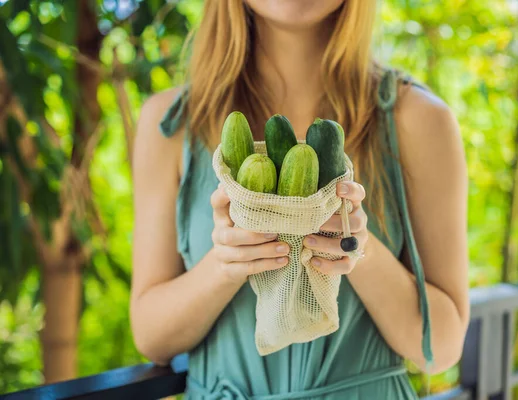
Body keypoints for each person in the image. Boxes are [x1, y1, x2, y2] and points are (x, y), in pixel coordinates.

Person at [129, 1, 470, 398]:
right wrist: (225, 265)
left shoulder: (419, 121)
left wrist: (358, 249)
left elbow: (440, 349)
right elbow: (153, 338)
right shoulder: (170, 125)